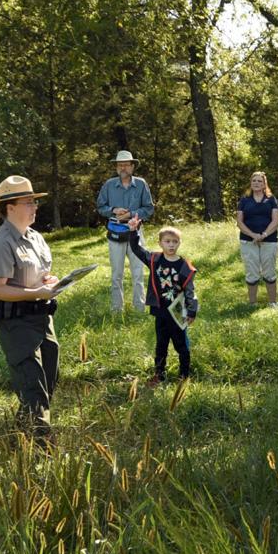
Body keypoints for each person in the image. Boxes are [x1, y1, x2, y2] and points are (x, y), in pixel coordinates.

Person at [0, 176, 60, 440]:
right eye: (28, 202)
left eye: (34, 202)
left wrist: (49, 282)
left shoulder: (35, 237)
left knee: (49, 379)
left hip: (42, 318)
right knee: (32, 386)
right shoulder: (1, 243)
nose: (34, 207)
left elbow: (40, 273)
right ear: (9, 207)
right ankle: (41, 452)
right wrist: (36, 291)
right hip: (16, 324)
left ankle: (22, 435)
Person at [127, 216, 198, 386]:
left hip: (177, 311)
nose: (171, 245)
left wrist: (191, 310)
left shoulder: (183, 266)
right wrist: (133, 231)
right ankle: (159, 375)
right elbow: (136, 249)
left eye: (175, 241)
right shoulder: (154, 260)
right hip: (160, 311)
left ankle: (184, 375)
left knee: (181, 345)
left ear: (179, 243)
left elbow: (190, 291)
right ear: (160, 243)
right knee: (161, 345)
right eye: (167, 241)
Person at [96, 149, 155, 312]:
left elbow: (149, 209)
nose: (122, 168)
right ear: (116, 167)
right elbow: (100, 207)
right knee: (116, 274)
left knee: (138, 272)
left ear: (132, 166)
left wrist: (131, 214)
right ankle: (116, 310)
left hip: (136, 232)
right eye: (119, 165)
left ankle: (140, 309)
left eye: (126, 165)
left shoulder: (141, 184)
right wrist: (113, 210)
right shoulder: (109, 185)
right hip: (116, 232)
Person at [236, 171, 278, 308]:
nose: (256, 183)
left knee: (269, 271)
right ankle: (252, 303)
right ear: (251, 183)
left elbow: (275, 220)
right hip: (248, 241)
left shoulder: (271, 199)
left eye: (259, 181)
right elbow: (239, 222)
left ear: (264, 184)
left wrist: (264, 234)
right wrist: (253, 235)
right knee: (252, 272)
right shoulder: (244, 200)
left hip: (269, 240)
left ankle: (273, 302)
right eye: (254, 180)